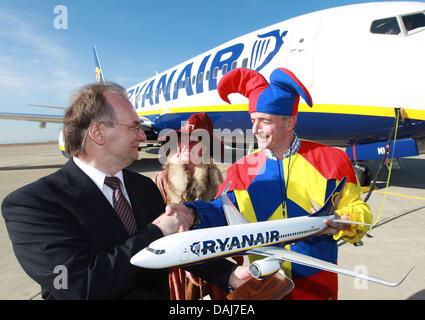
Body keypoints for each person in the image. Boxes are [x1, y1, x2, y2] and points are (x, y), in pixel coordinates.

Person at [1, 82, 250, 300]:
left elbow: (178, 246)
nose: (143, 136)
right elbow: (81, 287)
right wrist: (157, 230)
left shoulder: (142, 187)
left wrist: (228, 274)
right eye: (133, 127)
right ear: (98, 133)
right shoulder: (32, 204)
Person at [167, 67, 373, 300]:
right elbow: (222, 212)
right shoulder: (240, 169)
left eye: (265, 121)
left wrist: (344, 222)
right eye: (253, 120)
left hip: (317, 283)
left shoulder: (332, 160)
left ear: (289, 122)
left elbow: (360, 211)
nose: (255, 130)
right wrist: (192, 212)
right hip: (264, 284)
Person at [155, 112, 242, 300]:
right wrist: (187, 263)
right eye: (183, 140)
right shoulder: (163, 179)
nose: (187, 146)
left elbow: (229, 223)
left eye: (195, 141)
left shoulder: (218, 179)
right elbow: (156, 231)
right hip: (177, 266)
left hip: (213, 264)